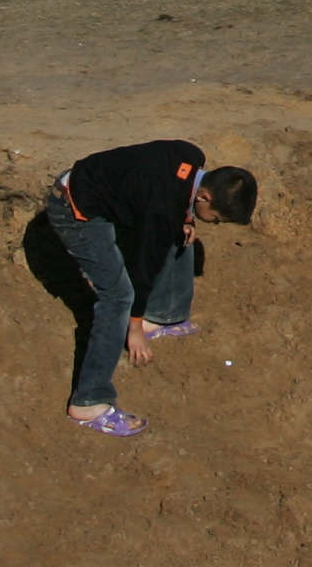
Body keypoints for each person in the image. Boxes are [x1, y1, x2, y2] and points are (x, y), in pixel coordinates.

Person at [43, 139, 260, 437]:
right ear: (204, 197)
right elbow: (142, 270)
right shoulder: (161, 209)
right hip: (74, 210)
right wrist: (134, 328)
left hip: (102, 189)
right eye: (217, 219)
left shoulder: (190, 155)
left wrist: (186, 217)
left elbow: (168, 196)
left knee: (179, 230)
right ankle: (88, 402)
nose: (215, 224)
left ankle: (163, 316)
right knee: (118, 296)